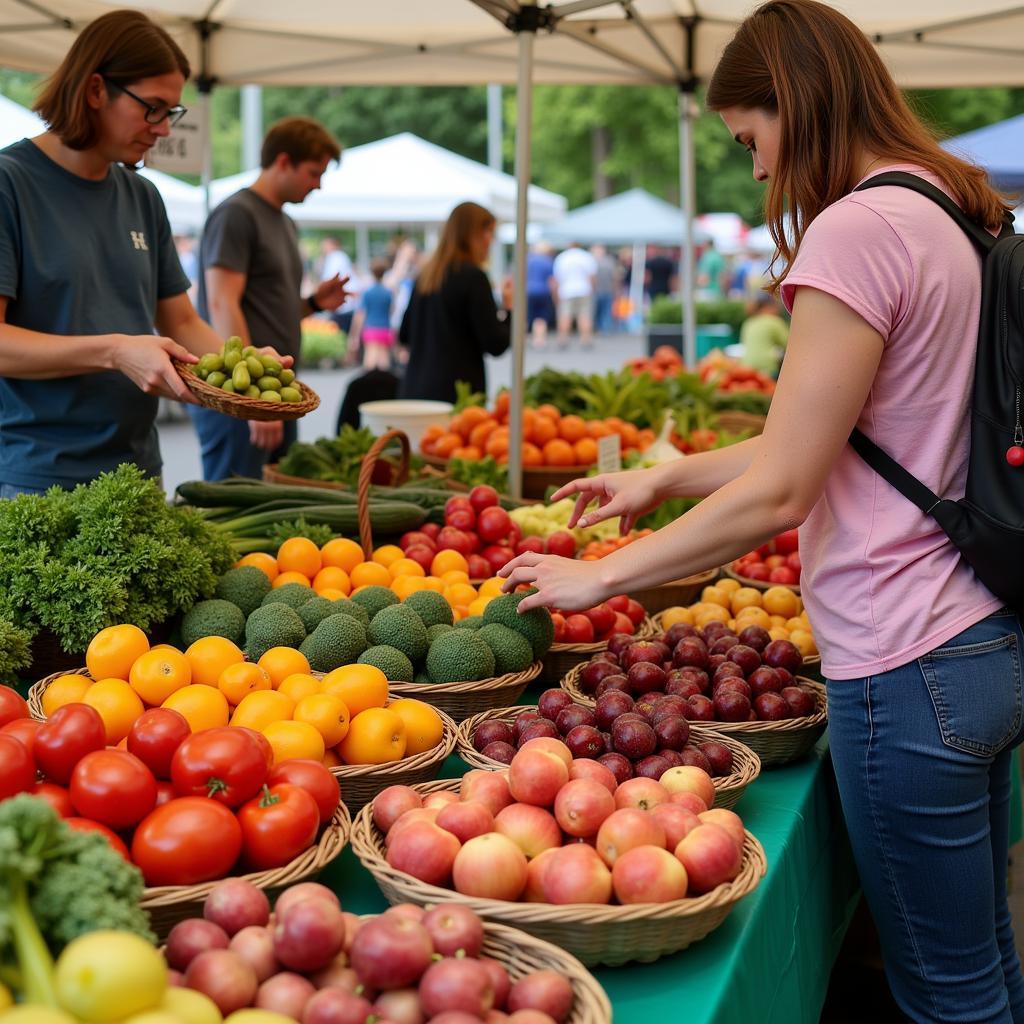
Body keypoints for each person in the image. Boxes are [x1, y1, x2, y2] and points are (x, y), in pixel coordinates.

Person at [498, 3, 1023, 1021]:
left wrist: (601, 574)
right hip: (981, 632)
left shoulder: (857, 227)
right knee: (985, 966)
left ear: (799, 103)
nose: (754, 171)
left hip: (905, 658)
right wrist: (663, 478)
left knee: (947, 996)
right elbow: (842, 435)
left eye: (752, 138)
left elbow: (787, 484)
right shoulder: (946, 208)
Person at [0, 10, 271, 497]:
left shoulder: (143, 196)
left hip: (138, 469)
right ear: (95, 90)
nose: (164, 129)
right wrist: (115, 351)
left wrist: (243, 367)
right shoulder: (9, 185)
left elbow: (182, 322)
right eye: (154, 108)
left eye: (172, 112)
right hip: (38, 480)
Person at [192, 117, 348, 481]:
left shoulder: (284, 221)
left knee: (270, 504)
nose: (318, 185)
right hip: (241, 398)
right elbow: (221, 303)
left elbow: (265, 304)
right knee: (232, 510)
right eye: (313, 172)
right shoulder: (237, 215)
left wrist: (312, 304)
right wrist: (251, 404)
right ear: (282, 162)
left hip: (274, 391)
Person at [398, 202, 511, 403]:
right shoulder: (474, 277)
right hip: (458, 395)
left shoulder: (425, 276)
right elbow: (495, 344)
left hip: (416, 388)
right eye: (489, 233)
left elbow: (404, 334)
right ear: (474, 234)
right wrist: (510, 310)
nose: (491, 241)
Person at [552, 241, 597, 348]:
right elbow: (592, 276)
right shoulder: (586, 257)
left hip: (566, 290)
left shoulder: (562, 258)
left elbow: (557, 278)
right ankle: (585, 340)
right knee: (584, 315)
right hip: (584, 289)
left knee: (565, 316)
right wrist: (593, 289)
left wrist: (556, 293)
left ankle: (563, 339)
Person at [357, 259, 394, 371]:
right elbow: (391, 310)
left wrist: (355, 334)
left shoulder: (367, 293)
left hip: (371, 328)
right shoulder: (388, 293)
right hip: (385, 328)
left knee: (370, 361)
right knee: (384, 362)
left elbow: (361, 314)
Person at [738, 293, 789, 377]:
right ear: (769, 306)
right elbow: (789, 344)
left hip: (747, 368)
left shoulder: (748, 323)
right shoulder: (774, 321)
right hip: (768, 369)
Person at [525, 241, 556, 349]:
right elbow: (552, 280)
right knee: (541, 317)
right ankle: (539, 340)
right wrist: (554, 295)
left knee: (526, 316)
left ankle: (522, 338)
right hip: (543, 291)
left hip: (527, 291)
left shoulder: (526, 260)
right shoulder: (548, 261)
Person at [591, 244, 619, 334]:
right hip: (599, 291)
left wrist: (615, 290)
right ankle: (601, 329)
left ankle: (603, 329)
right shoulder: (609, 261)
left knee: (603, 312)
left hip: (603, 291)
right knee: (602, 312)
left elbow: (615, 278)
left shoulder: (591, 261)